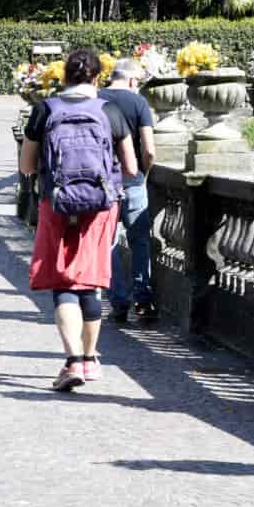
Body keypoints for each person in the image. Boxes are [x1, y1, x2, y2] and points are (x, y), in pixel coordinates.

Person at [19, 49, 138, 392]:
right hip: (100, 207)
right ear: (97, 78)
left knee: (63, 282)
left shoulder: (44, 110)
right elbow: (130, 167)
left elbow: (27, 166)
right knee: (91, 280)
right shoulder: (110, 111)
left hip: (56, 204)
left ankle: (71, 361)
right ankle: (90, 359)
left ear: (63, 77)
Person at [98, 58, 158, 323]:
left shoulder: (96, 100)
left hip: (103, 184)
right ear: (133, 80)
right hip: (133, 182)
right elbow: (149, 149)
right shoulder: (139, 103)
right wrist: (145, 175)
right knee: (140, 242)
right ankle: (143, 300)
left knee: (108, 244)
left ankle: (118, 302)